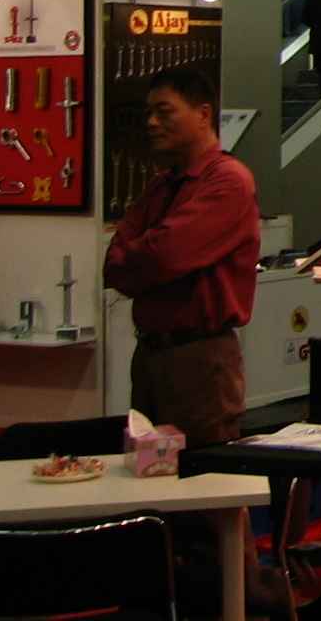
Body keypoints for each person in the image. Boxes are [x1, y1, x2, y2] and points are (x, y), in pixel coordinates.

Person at [105, 67, 262, 447]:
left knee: (203, 473)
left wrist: (142, 255)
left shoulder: (228, 181)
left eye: (164, 111)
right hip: (150, 356)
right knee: (145, 469)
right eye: (148, 113)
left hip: (200, 362)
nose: (152, 122)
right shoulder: (162, 186)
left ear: (203, 114)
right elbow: (114, 264)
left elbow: (166, 255)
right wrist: (144, 255)